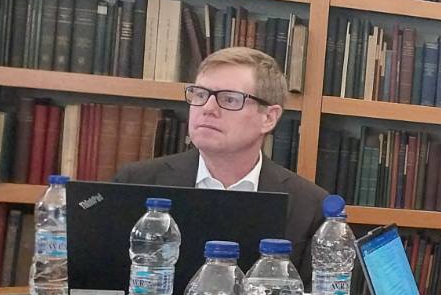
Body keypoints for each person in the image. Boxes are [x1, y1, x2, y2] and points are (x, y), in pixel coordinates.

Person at [115, 47, 327, 274]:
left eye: (229, 99)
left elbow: (315, 294)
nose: (207, 108)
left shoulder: (310, 206)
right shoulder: (136, 182)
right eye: (200, 95)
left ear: (268, 117)